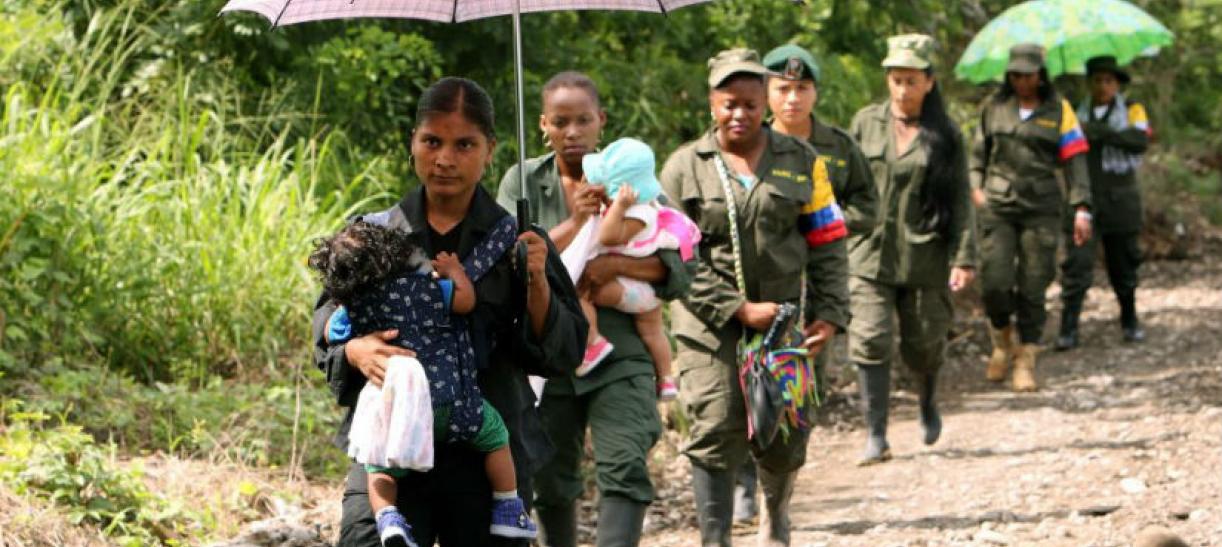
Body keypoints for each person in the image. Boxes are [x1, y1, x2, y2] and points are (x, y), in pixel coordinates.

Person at [312, 77, 587, 547]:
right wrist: (356, 351)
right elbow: (327, 329)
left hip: (488, 448)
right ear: (413, 143)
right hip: (391, 443)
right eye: (432, 142)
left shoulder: (519, 242)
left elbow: (562, 353)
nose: (444, 159)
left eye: (464, 145)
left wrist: (538, 281)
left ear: (489, 150)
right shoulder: (370, 237)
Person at [659, 48, 849, 546]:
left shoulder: (802, 161)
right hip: (708, 325)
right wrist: (736, 308)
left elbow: (829, 242)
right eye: (729, 104)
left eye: (750, 103)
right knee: (715, 425)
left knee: (785, 431)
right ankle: (715, 538)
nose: (739, 114)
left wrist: (829, 314)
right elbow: (672, 257)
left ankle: (776, 513)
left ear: (765, 102)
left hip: (783, 323)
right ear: (711, 103)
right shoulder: (684, 168)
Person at [497, 71, 694, 547]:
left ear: (601, 120)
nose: (572, 132)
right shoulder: (523, 180)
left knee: (625, 461)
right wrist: (577, 221)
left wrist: (613, 266)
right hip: (546, 353)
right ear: (543, 124)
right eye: (560, 121)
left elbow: (680, 266)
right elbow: (503, 260)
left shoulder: (629, 173)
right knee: (548, 476)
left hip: (621, 349)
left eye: (583, 120)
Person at [309, 218, 537, 545]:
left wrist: (353, 329)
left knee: (379, 467)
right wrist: (456, 273)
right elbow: (466, 301)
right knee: (496, 436)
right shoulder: (425, 288)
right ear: (394, 253)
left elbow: (331, 333)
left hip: (398, 412)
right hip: (450, 401)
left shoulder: (352, 308)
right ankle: (508, 506)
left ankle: (388, 517)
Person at [729, 41, 881, 523]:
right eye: (782, 89)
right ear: (766, 94)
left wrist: (819, 224)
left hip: (807, 290)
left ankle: (777, 493)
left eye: (802, 89)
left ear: (815, 94)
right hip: (746, 297)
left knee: (793, 396)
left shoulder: (835, 147)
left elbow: (868, 206)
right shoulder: (739, 145)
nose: (792, 98)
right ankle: (743, 487)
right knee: (735, 394)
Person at [846, 34, 977, 465]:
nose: (902, 90)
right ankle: (876, 435)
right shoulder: (866, 123)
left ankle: (927, 399)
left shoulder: (946, 134)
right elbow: (843, 183)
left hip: (925, 256)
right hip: (868, 253)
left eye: (912, 81)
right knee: (870, 338)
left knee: (924, 345)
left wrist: (964, 257)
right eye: (896, 80)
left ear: (929, 82)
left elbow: (960, 200)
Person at [970, 43, 1092, 392]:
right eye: (1016, 75)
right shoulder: (993, 108)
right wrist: (977, 190)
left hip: (1041, 207)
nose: (1022, 81)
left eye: (1029, 75)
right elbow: (976, 156)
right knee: (995, 281)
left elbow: (1076, 162)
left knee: (1034, 283)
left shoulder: (1060, 110)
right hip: (998, 204)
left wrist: (1082, 208)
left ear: (1041, 76)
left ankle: (1025, 357)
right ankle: (1001, 340)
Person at [569, 138, 700, 402]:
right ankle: (666, 378)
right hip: (647, 293)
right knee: (652, 332)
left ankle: (593, 343)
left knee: (581, 293)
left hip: (632, 291)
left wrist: (617, 206)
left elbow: (607, 237)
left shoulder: (638, 213)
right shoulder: (651, 206)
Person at [1055, 55, 1151, 350]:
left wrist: (1101, 132)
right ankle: (1068, 328)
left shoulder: (1132, 109)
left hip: (1121, 199)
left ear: (1117, 84)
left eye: (1109, 80)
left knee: (1124, 264)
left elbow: (1139, 140)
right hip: (1085, 197)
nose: (1103, 86)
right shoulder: (1074, 111)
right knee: (1077, 264)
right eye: (1097, 80)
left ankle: (1129, 320)